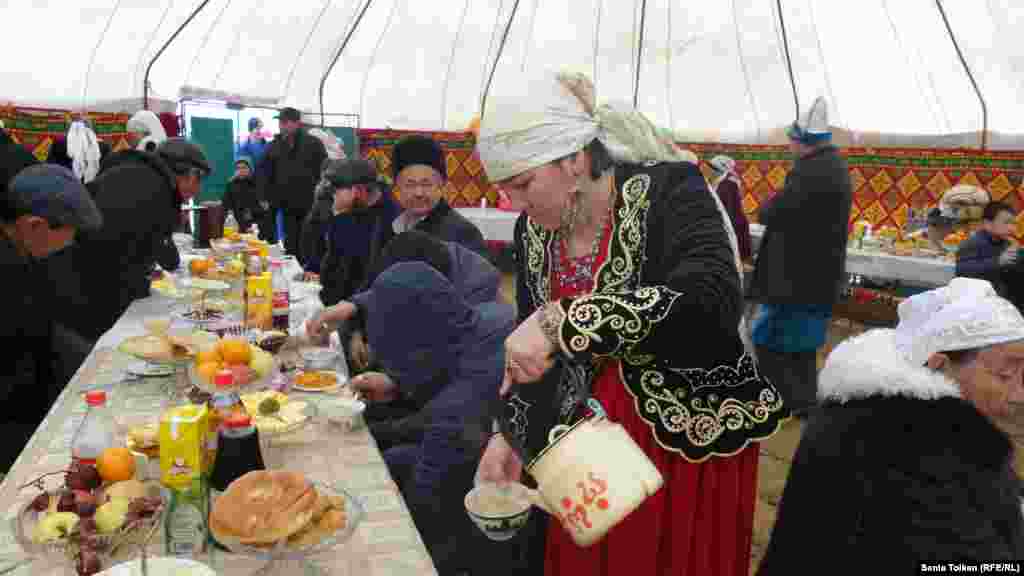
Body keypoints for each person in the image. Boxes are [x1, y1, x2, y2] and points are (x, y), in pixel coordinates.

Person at [473, 70, 787, 575]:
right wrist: (507, 437)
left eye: (522, 184)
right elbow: (535, 359)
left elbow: (712, 302)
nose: (513, 203)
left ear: (574, 159)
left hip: (677, 440)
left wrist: (563, 319)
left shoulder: (669, 191)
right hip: (588, 445)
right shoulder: (532, 231)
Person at [758, 277, 1024, 573]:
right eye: (1004, 375)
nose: (1019, 393)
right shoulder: (916, 446)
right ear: (939, 366)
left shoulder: (872, 410)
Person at [307, 239, 515, 575]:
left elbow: (422, 507)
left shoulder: (455, 411)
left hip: (484, 530)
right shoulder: (488, 315)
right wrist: (398, 384)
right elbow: (407, 291)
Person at [747, 97, 853, 418]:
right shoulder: (832, 168)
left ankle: (776, 400)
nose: (789, 145)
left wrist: (768, 205)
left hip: (796, 278)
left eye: (793, 139)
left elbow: (772, 211)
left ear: (805, 143)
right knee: (801, 344)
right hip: (814, 276)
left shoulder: (811, 173)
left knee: (773, 340)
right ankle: (800, 401)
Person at [51, 138, 211, 340]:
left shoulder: (133, 172)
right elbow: (131, 256)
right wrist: (142, 284)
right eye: (199, 180)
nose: (197, 190)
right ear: (187, 173)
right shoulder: (156, 189)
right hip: (87, 300)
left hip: (64, 285)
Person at [1, 164, 103, 470]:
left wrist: (90, 361)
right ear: (34, 225)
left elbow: (42, 327)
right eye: (67, 237)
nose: (68, 246)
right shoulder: (7, 271)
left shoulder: (18, 251)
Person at [313, 158, 401, 307]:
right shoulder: (348, 212)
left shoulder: (392, 223)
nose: (333, 196)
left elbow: (375, 280)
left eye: (336, 191)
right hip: (338, 307)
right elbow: (333, 263)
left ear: (358, 191)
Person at [387, 134, 488, 257]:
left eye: (427, 184)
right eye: (410, 185)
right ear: (397, 187)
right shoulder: (390, 224)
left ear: (442, 185)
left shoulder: (462, 233)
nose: (419, 193)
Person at [258, 107, 326, 260]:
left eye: (284, 122)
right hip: (286, 204)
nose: (281, 125)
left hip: (309, 203)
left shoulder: (313, 143)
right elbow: (263, 171)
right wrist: (263, 195)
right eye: (280, 122)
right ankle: (293, 271)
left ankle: (308, 271)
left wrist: (321, 195)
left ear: (297, 123)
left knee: (309, 241)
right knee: (291, 241)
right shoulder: (275, 145)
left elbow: (324, 170)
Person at [956, 201, 1020, 307]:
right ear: (987, 224)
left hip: (1000, 300)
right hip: (976, 303)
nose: (1012, 228)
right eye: (1007, 222)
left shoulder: (1007, 244)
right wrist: (997, 261)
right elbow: (961, 270)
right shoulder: (973, 242)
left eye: (1013, 223)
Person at [708, 155, 752, 261]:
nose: (710, 171)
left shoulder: (728, 184)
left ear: (721, 170)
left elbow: (730, 210)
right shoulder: (719, 181)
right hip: (730, 223)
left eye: (713, 168)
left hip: (733, 224)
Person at [222, 157, 272, 238]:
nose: (241, 170)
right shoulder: (231, 184)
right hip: (238, 225)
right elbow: (226, 203)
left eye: (244, 167)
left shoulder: (258, 183)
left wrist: (254, 222)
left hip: (257, 225)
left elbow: (265, 207)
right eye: (238, 168)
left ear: (250, 169)